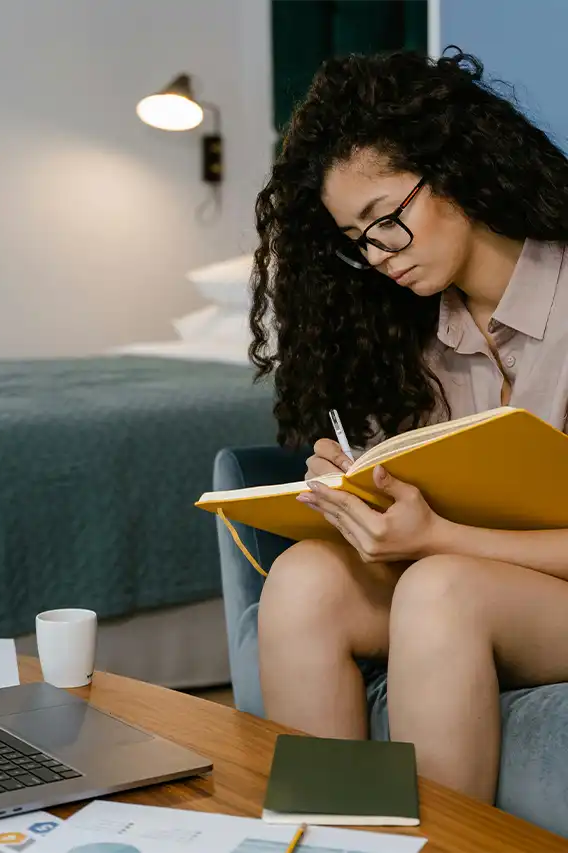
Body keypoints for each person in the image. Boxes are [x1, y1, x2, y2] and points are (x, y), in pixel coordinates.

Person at [248, 46, 568, 805]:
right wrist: (361, 492)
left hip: (491, 584)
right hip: (484, 577)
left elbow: (448, 552)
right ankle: (337, 833)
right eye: (357, 239)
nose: (378, 252)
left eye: (386, 217)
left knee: (439, 588)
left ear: (455, 166)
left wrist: (438, 539)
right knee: (302, 582)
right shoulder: (418, 336)